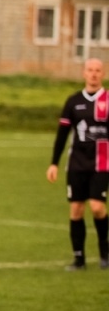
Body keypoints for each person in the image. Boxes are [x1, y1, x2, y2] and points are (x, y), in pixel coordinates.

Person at [46, 57, 109, 270]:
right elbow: (62, 134)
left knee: (97, 207)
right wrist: (54, 163)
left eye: (97, 70)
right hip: (77, 164)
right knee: (76, 210)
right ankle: (79, 259)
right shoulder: (73, 101)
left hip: (101, 163)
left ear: (103, 74)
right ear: (84, 73)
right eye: (90, 70)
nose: (93, 74)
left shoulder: (108, 100)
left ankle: (104, 251)